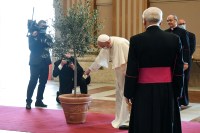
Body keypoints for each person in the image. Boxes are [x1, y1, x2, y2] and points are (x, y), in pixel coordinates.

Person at [124, 7, 184, 133]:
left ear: (144, 21)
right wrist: (178, 90)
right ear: (161, 21)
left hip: (142, 90)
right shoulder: (174, 39)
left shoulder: (136, 40)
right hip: (166, 88)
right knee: (165, 121)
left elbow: (132, 68)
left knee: (144, 120)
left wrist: (128, 92)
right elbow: (178, 69)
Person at [84, 34, 130, 129]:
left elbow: (132, 58)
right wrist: (89, 69)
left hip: (127, 73)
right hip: (119, 72)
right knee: (119, 94)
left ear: (108, 42)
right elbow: (99, 59)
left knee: (126, 94)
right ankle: (120, 118)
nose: (104, 48)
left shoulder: (121, 43)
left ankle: (126, 120)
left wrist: (130, 71)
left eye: (103, 46)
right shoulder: (106, 45)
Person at [26, 20, 53, 109]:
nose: (43, 28)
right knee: (33, 81)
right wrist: (36, 37)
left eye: (45, 27)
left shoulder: (47, 36)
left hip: (45, 62)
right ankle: (28, 101)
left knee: (43, 82)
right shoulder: (32, 36)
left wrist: (44, 38)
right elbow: (31, 47)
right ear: (38, 27)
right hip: (35, 62)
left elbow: (51, 45)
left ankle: (39, 100)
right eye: (42, 27)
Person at [165, 15, 190, 107]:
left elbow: (186, 48)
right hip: (170, 61)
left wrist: (186, 61)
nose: (169, 22)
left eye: (171, 20)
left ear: (175, 20)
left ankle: (179, 101)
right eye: (167, 21)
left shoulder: (182, 32)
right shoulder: (165, 32)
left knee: (179, 81)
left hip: (180, 61)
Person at [178, 19, 196, 107]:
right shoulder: (175, 34)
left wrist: (185, 59)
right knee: (178, 81)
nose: (181, 25)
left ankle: (185, 100)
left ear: (185, 24)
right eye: (180, 24)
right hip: (177, 61)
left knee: (185, 80)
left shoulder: (191, 35)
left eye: (183, 23)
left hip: (187, 61)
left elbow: (191, 49)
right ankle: (179, 100)